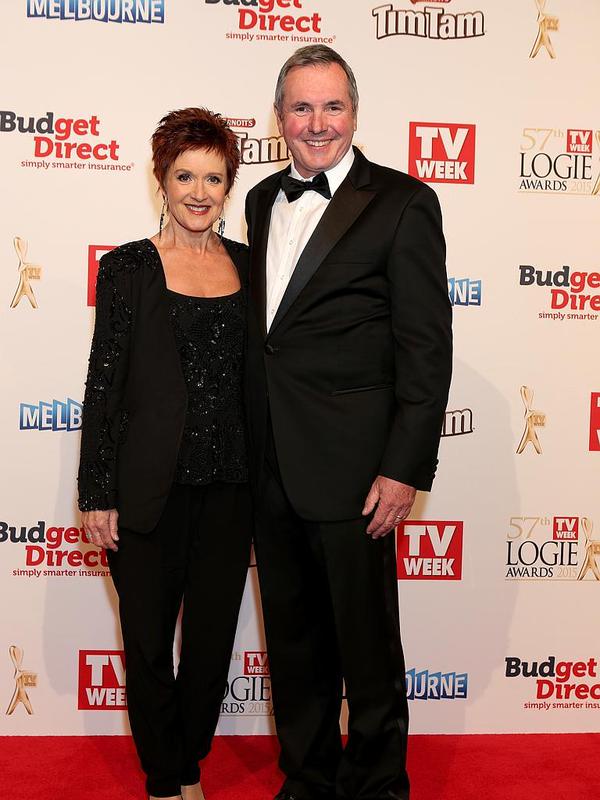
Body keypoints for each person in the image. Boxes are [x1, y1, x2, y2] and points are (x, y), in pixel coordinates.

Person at [244, 46, 452, 800]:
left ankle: (377, 786)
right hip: (271, 462)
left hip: (358, 470)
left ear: (355, 113)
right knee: (293, 642)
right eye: (301, 107)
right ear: (279, 118)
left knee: (366, 650)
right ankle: (306, 778)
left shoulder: (402, 202)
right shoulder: (260, 200)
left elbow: (425, 350)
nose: (317, 123)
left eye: (332, 106)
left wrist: (402, 468)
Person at [78, 108, 252, 800]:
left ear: (229, 185)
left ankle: (189, 762)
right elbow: (104, 382)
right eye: (185, 176)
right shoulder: (127, 268)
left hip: (231, 486)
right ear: (162, 180)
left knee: (210, 645)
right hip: (147, 489)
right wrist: (96, 492)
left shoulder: (249, 267)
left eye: (214, 177)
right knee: (148, 642)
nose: (199, 192)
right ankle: (162, 776)